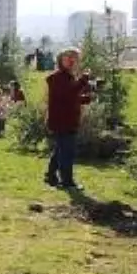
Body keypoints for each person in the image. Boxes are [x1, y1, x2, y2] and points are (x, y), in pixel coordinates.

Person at [45, 47, 93, 189]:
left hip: (66, 120)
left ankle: (51, 176)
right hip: (62, 121)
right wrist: (83, 80)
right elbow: (68, 94)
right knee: (67, 152)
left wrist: (85, 99)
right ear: (61, 60)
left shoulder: (67, 77)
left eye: (75, 58)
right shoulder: (57, 77)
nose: (72, 61)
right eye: (68, 58)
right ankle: (67, 182)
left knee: (61, 149)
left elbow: (69, 98)